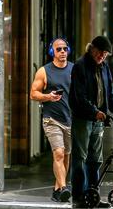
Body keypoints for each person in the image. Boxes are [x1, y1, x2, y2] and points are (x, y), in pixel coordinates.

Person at [69, 36, 113, 208]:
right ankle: (78, 198)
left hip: (98, 120)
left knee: (95, 160)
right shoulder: (80, 66)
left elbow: (109, 94)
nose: (102, 55)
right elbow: (80, 97)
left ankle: (93, 196)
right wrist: (95, 112)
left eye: (106, 53)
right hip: (83, 119)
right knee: (80, 158)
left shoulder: (104, 67)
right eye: (100, 52)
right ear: (91, 48)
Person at [29, 38, 74, 202]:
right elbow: (33, 94)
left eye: (65, 49)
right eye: (58, 49)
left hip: (70, 119)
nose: (62, 52)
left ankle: (57, 190)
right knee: (59, 154)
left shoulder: (74, 69)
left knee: (67, 156)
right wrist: (48, 96)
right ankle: (63, 188)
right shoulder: (44, 71)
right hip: (51, 119)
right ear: (52, 52)